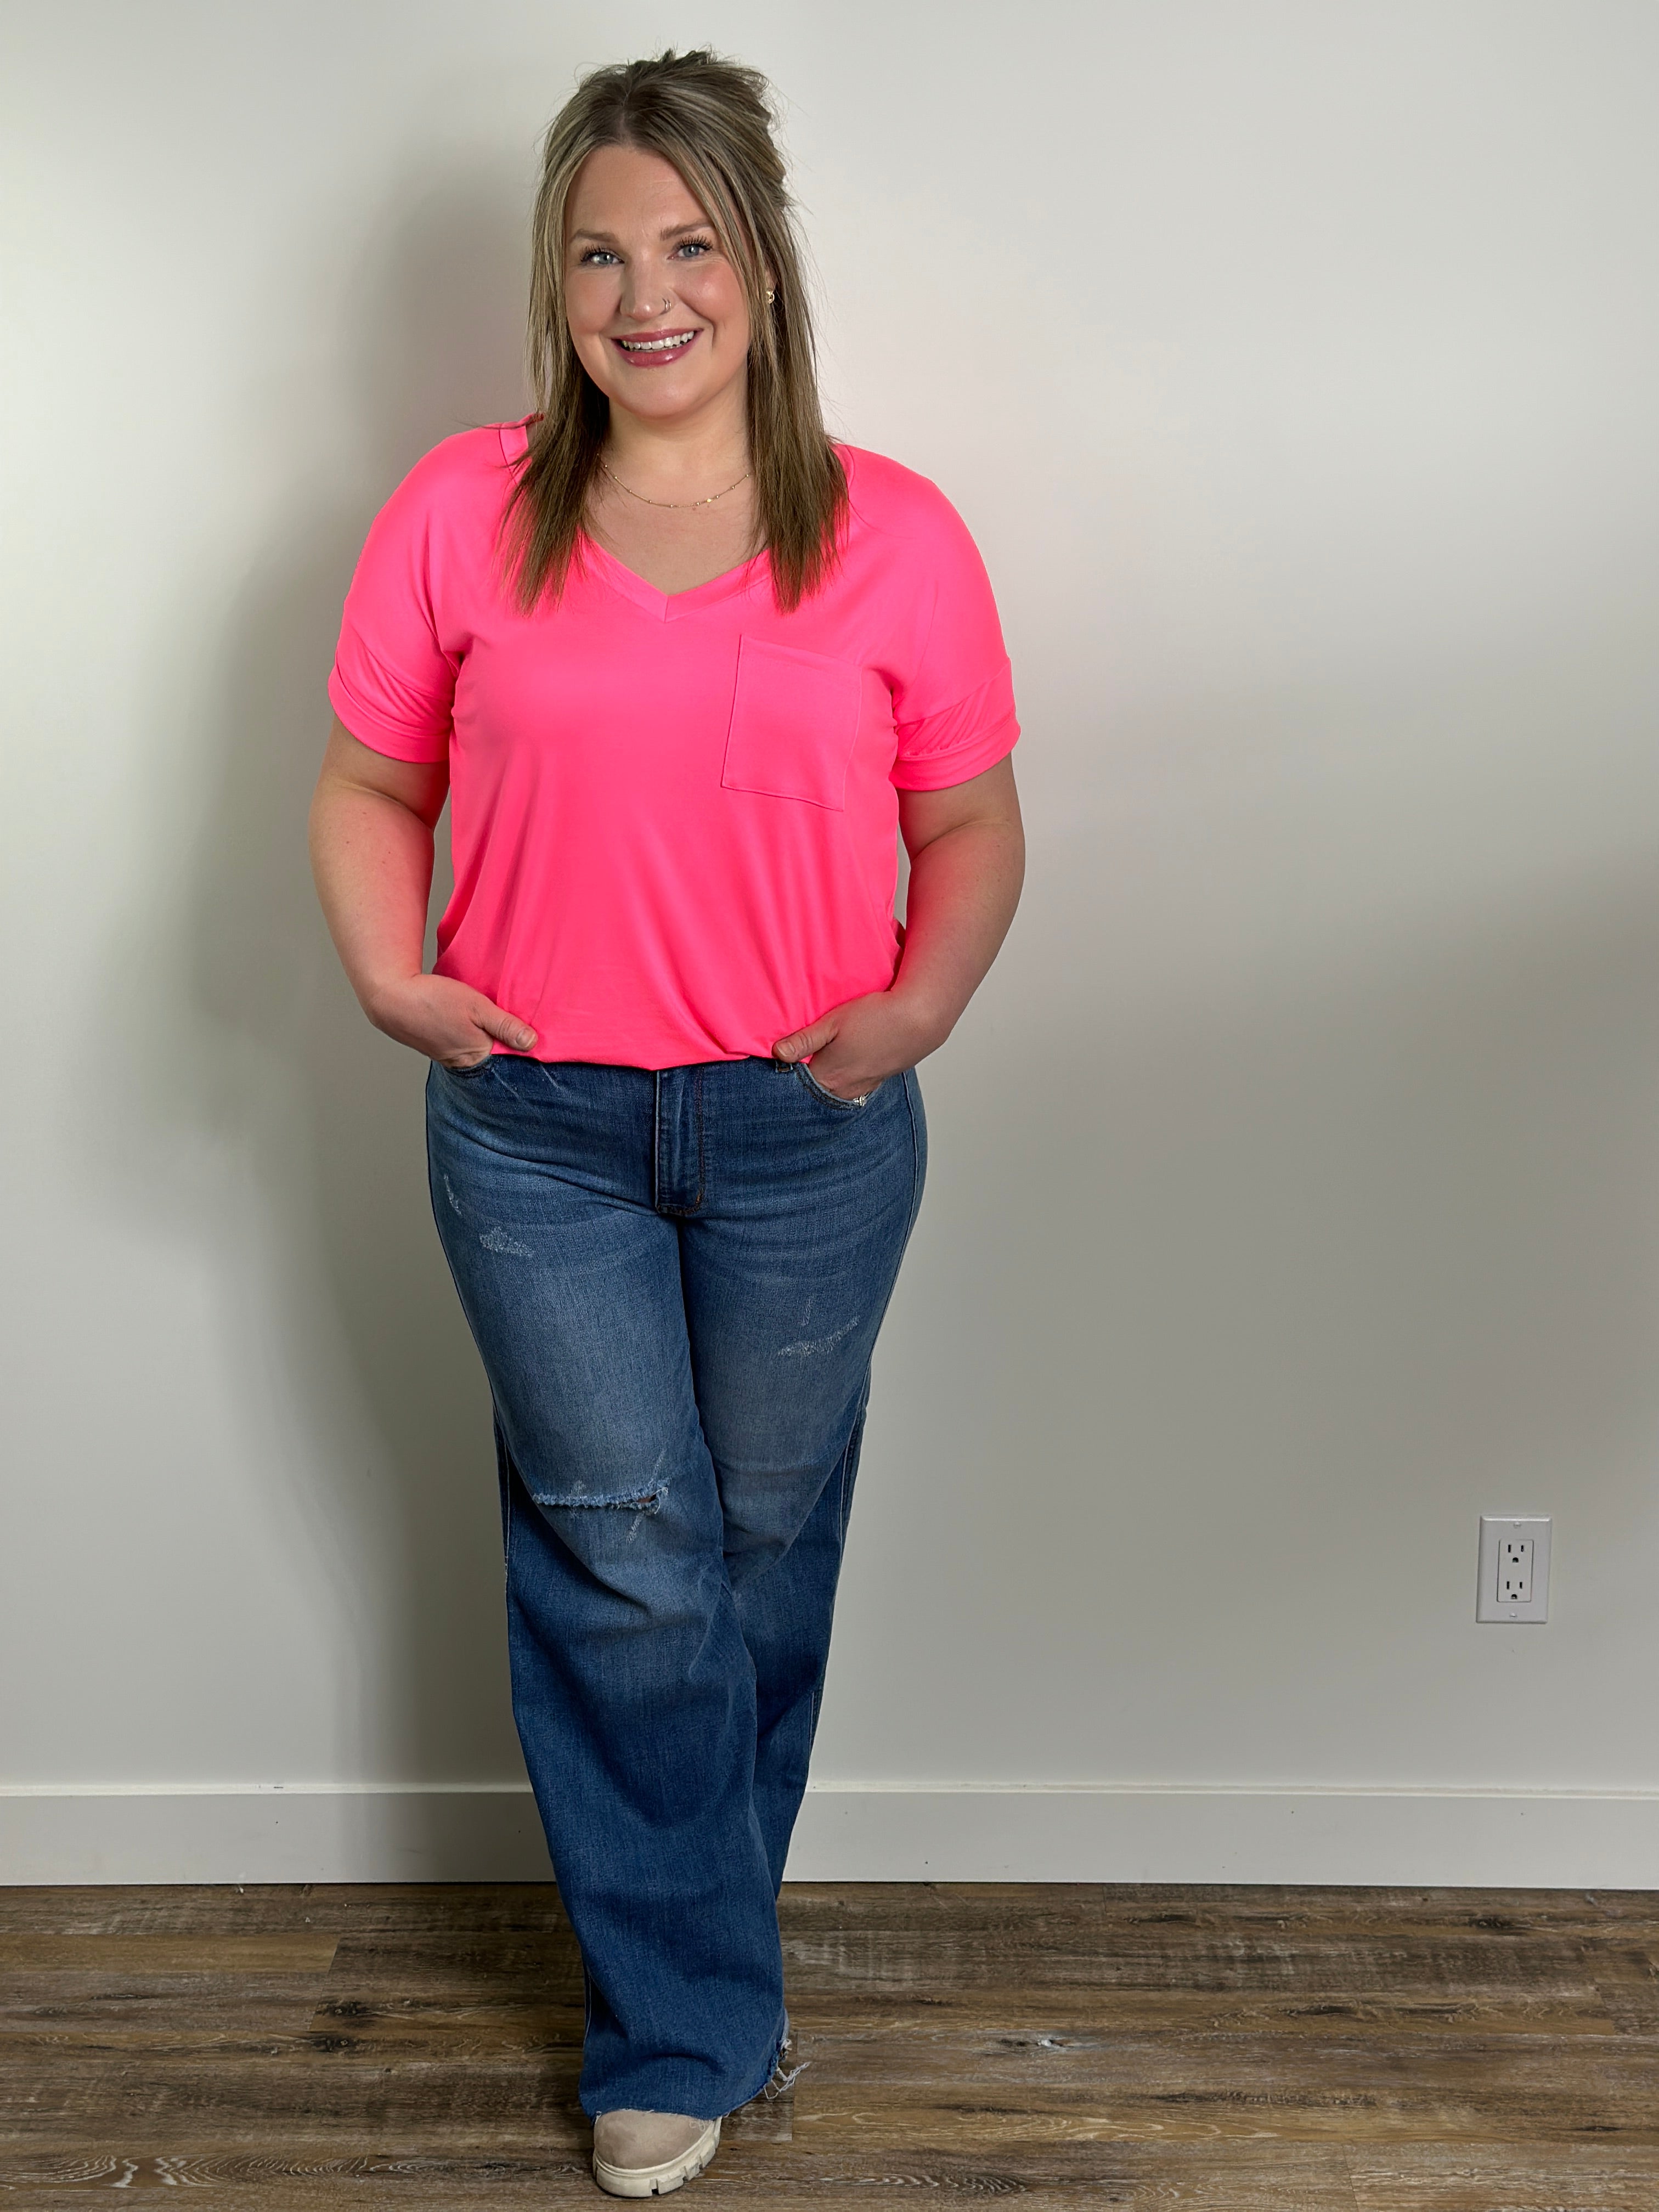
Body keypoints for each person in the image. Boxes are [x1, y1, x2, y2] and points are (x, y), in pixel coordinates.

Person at [309, 48, 1024, 2200]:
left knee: (759, 1554)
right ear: (557, 286)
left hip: (810, 1132)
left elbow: (973, 828)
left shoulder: (897, 538)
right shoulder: (460, 513)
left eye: (691, 245)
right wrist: (388, 972)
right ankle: (685, 2025)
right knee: (629, 1561)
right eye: (601, 254)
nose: (649, 295)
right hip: (537, 1134)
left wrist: (919, 1007)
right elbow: (370, 786)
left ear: (765, 268)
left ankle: (705, 1962)